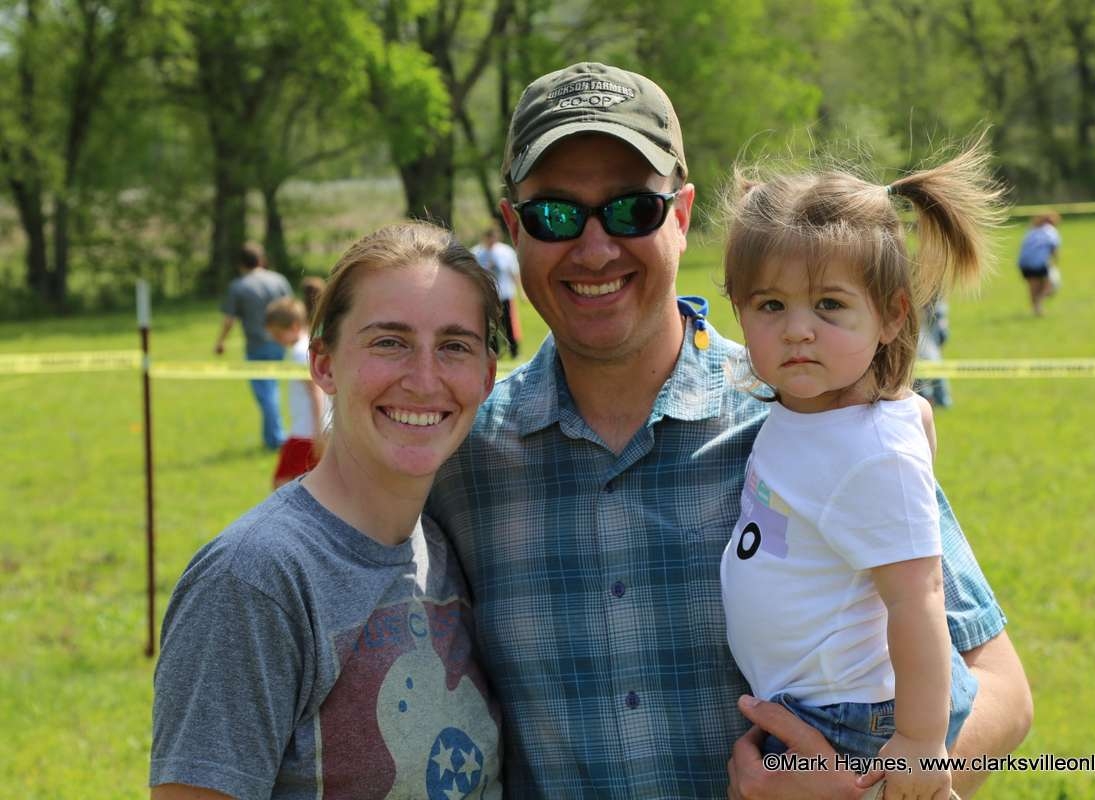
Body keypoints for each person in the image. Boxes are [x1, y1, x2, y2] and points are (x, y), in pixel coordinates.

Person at [426, 61, 1032, 799]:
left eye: (632, 210)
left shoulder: (818, 412)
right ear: (513, 227)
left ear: (681, 217)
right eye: (555, 215)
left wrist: (867, 790)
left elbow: (1000, 686)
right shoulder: (460, 455)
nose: (595, 248)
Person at [152, 222, 504, 799]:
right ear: (323, 363)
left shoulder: (446, 550)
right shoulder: (253, 581)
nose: (424, 380)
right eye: (388, 342)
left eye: (455, 346)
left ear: (487, 377)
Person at [719, 146, 1003, 800]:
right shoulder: (814, 411)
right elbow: (915, 418)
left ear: (892, 315)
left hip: (857, 720)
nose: (797, 330)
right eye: (770, 305)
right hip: (814, 703)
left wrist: (921, 741)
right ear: (738, 308)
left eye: (829, 305)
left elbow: (918, 597)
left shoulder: (871, 450)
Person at [213, 242, 293, 449]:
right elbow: (291, 309)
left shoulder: (238, 286)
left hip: (256, 345)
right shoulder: (279, 280)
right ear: (262, 260)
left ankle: (276, 438)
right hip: (280, 342)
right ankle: (272, 437)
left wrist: (220, 342)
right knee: (271, 389)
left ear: (240, 264)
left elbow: (229, 320)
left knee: (266, 393)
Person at [264, 296, 329, 489]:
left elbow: (316, 391)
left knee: (281, 483)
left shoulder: (301, 353)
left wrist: (319, 431)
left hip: (305, 433)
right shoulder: (304, 347)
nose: (275, 339)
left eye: (278, 334)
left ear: (294, 327)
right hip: (306, 431)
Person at [471, 227, 522, 358]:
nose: (491, 241)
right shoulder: (477, 253)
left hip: (505, 294)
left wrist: (521, 291)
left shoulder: (506, 252)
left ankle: (514, 351)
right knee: (490, 325)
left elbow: (514, 273)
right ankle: (494, 352)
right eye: (489, 238)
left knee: (509, 324)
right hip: (487, 296)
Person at [1016, 212, 1061, 317]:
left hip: (1023, 262)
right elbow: (1054, 248)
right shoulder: (1051, 231)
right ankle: (1038, 303)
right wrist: (1055, 262)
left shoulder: (1032, 230)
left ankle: (1036, 310)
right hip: (1038, 262)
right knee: (1049, 286)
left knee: (1033, 287)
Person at [916, 299, 952, 408]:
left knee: (932, 362)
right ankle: (932, 398)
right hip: (921, 321)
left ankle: (941, 399)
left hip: (930, 320)